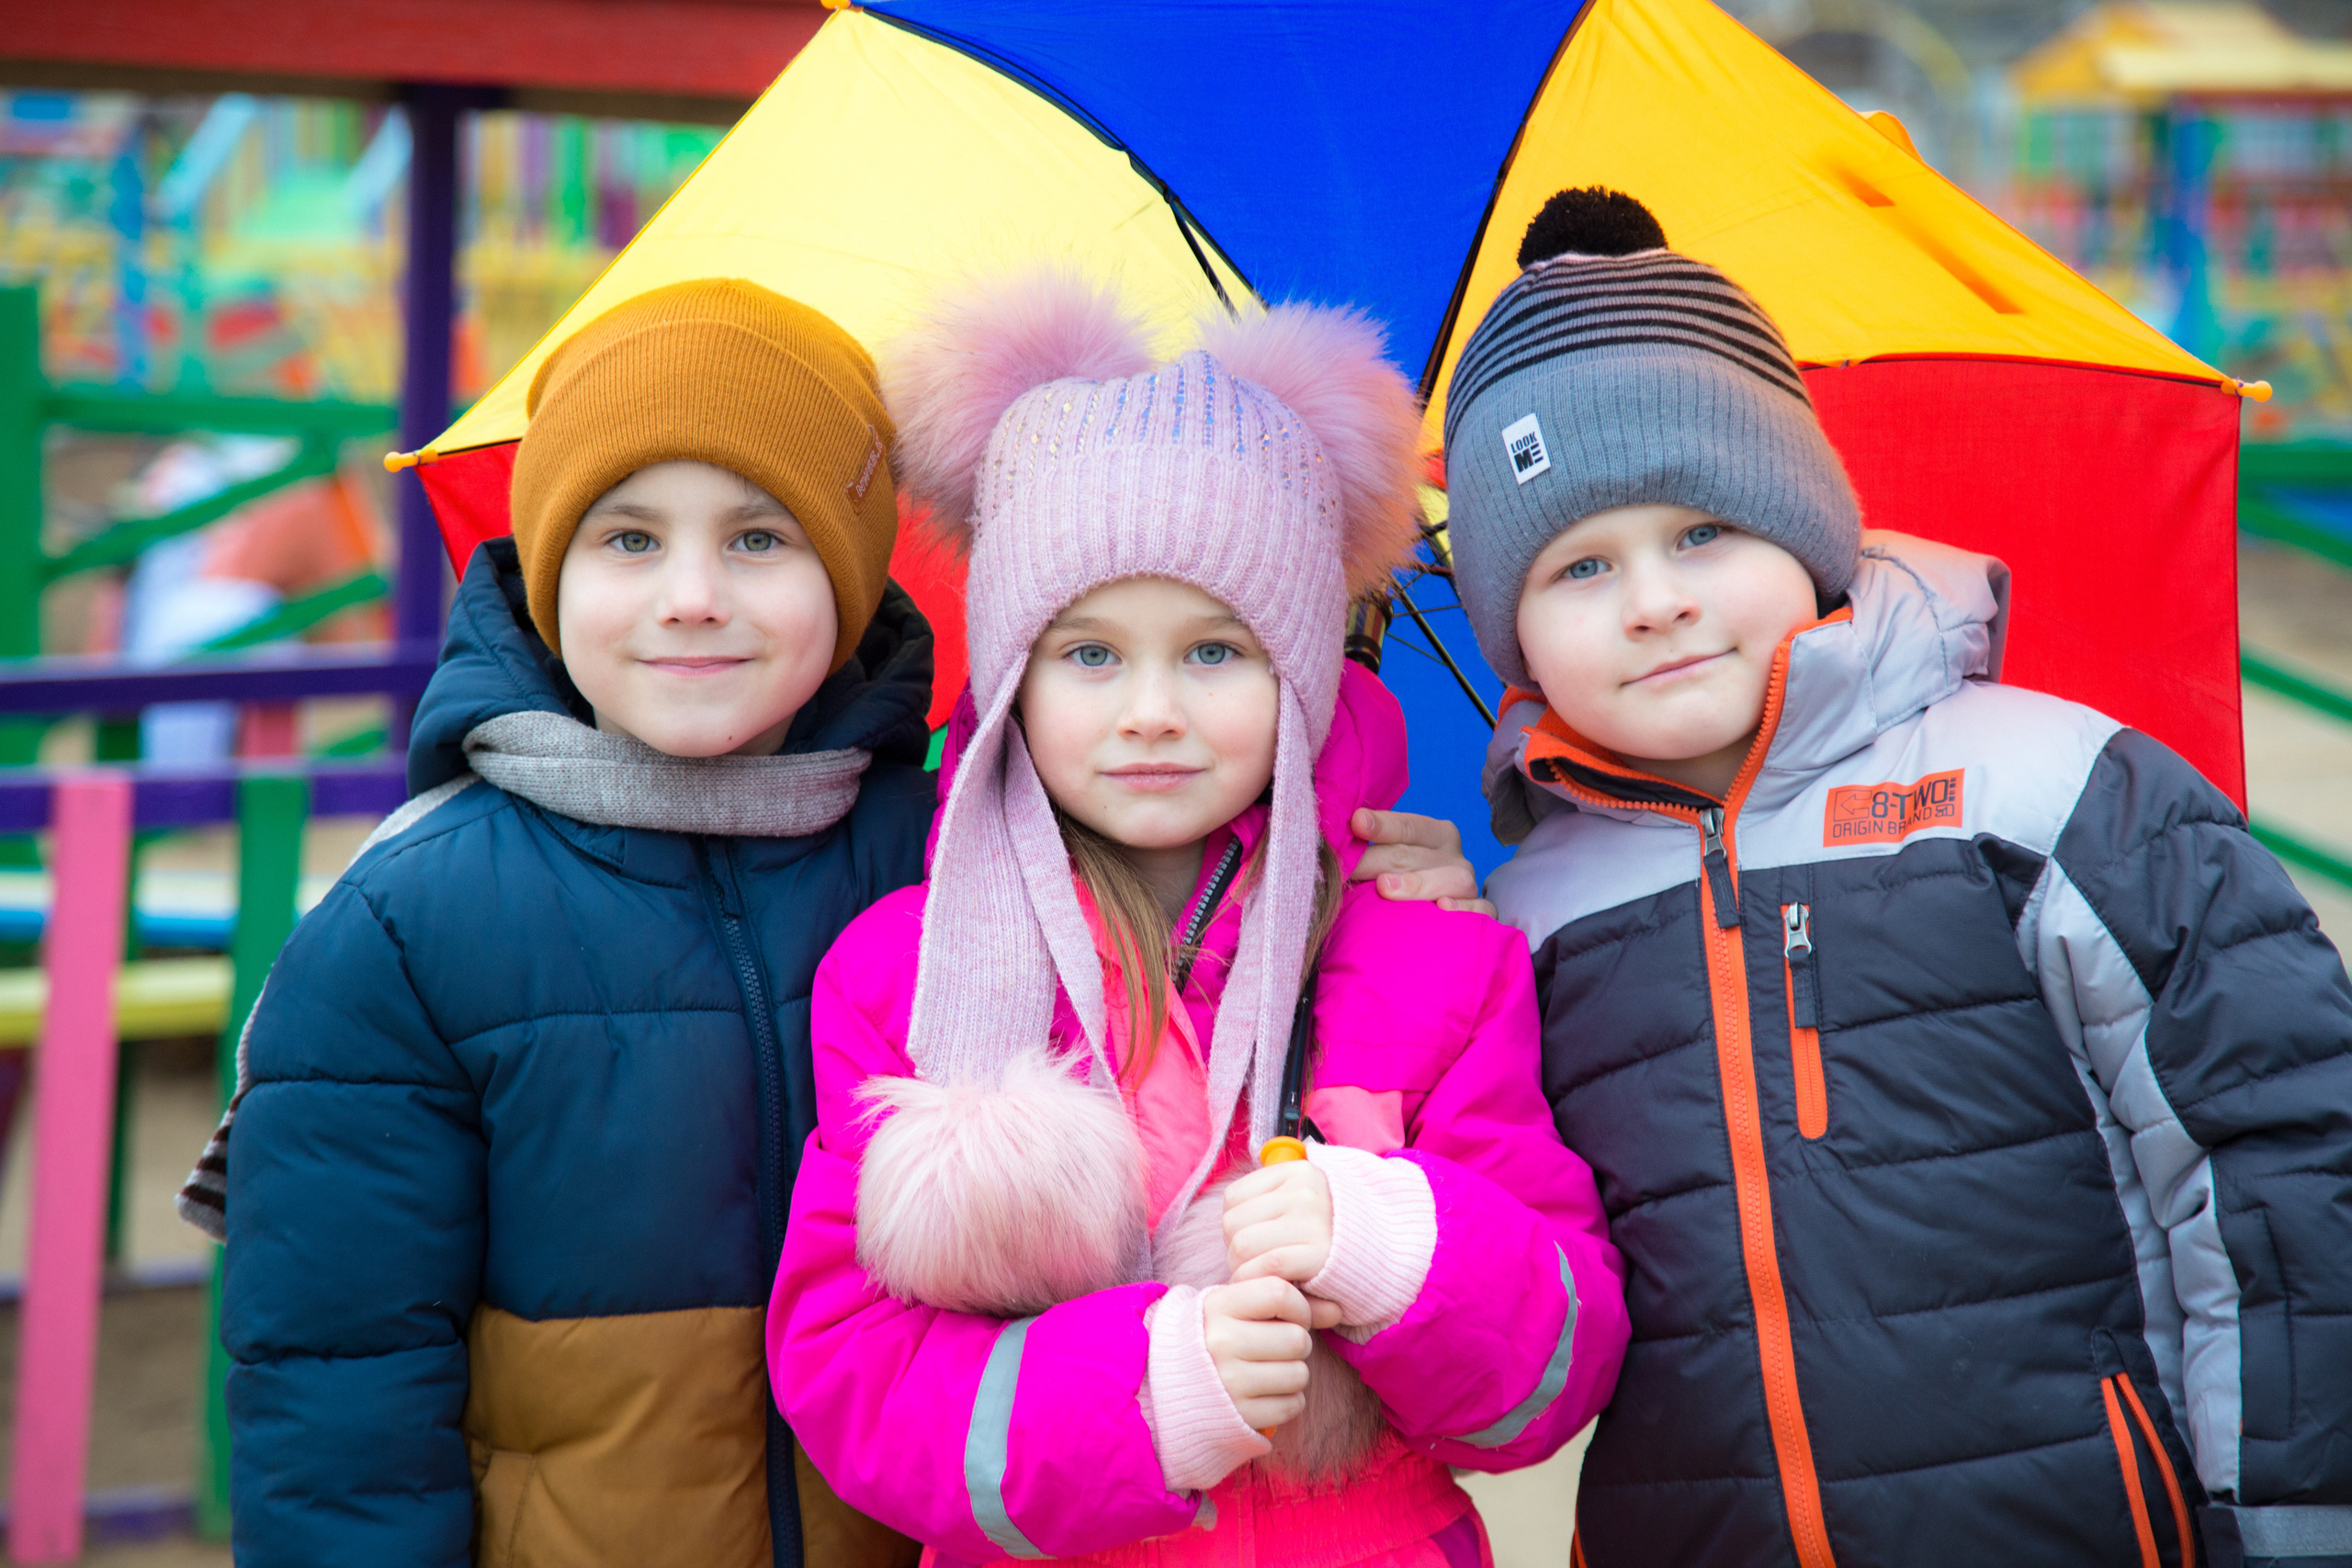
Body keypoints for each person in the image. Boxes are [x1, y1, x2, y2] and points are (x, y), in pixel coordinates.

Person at [181, 277, 1488, 1568]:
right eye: (628, 539)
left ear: (854, 571)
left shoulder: (961, 852)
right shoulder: (413, 916)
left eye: (760, 538)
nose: (693, 594)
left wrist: (1363, 858)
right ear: (544, 567)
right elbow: (335, 1369)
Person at [1442, 187, 2352, 1568]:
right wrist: (1394, 945)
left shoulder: (2053, 792)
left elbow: (2275, 1157)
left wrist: (2288, 1524)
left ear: (1804, 529)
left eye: (1702, 532)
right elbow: (1507, 1287)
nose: (1653, 600)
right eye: (1578, 566)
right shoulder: (1522, 920)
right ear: (1512, 631)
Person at [768, 270, 1631, 1568]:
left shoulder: (1434, 962)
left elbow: (1552, 1376)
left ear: (1301, 676)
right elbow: (852, 1373)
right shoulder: (903, 974)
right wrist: (1141, 1394)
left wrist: (1400, 1251)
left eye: (1217, 652)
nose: (1154, 710)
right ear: (1012, 681)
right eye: (1091, 653)